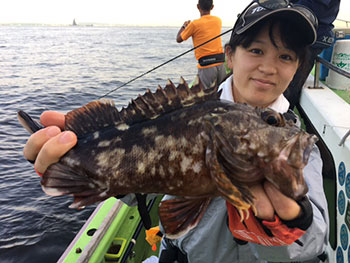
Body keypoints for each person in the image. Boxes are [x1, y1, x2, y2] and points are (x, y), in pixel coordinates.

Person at [23, 1, 329, 262]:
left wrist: (291, 222)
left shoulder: (300, 151)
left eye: (285, 56)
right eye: (256, 50)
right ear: (229, 55)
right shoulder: (201, 119)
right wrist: (72, 166)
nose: (268, 67)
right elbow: (138, 181)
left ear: (298, 67)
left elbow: (314, 240)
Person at [284, 0, 340, 110]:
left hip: (308, 35)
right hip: (302, 33)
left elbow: (311, 8)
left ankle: (284, 114)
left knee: (288, 88)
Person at [176, 0, 226, 89]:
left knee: (206, 96)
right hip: (220, 62)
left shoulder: (194, 24)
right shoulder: (218, 20)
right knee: (222, 91)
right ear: (212, 7)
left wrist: (184, 26)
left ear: (198, 7)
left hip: (206, 65)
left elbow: (179, 39)